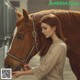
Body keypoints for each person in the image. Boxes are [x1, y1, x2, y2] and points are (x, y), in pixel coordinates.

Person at [13, 14, 67, 80]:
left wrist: (21, 73)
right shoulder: (51, 45)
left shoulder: (60, 46)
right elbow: (45, 66)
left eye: (45, 28)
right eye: (42, 28)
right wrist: (31, 69)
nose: (42, 31)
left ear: (54, 28)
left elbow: (44, 68)